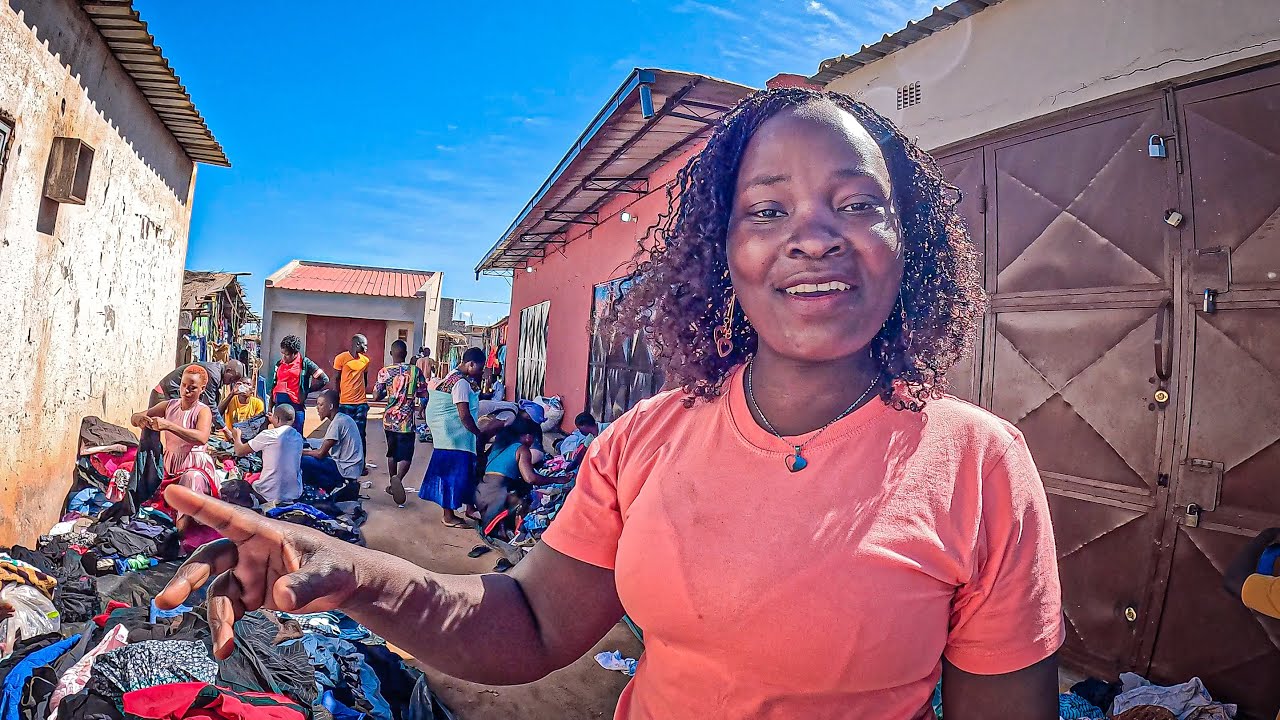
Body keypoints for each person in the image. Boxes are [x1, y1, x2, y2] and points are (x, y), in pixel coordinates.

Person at [155, 88, 1062, 719]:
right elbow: (534, 622)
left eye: (856, 203)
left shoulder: (980, 467)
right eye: (768, 210)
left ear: (909, 246)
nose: (813, 238)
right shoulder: (646, 439)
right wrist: (350, 570)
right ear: (723, 254)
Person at [131, 364, 219, 539]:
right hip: (170, 464)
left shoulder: (203, 411)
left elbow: (202, 437)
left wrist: (169, 426)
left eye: (192, 388)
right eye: (184, 385)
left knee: (190, 479)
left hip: (195, 466)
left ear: (202, 389)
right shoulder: (169, 405)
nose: (186, 391)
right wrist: (141, 420)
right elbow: (135, 418)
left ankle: (178, 537)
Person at [419, 347, 486, 527]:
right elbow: (464, 415)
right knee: (452, 478)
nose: (480, 372)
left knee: (457, 475)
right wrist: (478, 434)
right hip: (454, 438)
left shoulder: (452, 375)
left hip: (446, 436)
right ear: (470, 364)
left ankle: (466, 509)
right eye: (479, 368)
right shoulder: (461, 384)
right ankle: (448, 517)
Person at [375, 340, 420, 507]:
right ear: (406, 353)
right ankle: (398, 480)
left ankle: (392, 479)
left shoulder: (384, 372)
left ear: (391, 354)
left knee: (392, 453)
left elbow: (376, 396)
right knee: (407, 455)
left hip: (389, 421)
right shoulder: (415, 371)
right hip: (407, 422)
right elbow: (423, 392)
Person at [228, 404, 303, 506]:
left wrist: (237, 436)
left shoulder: (268, 435)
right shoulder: (298, 438)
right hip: (293, 494)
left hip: (268, 494)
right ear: (293, 420)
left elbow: (239, 451)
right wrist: (275, 419)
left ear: (276, 418)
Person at [300, 390, 363, 501]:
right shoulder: (341, 418)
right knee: (312, 455)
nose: (317, 408)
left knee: (303, 461)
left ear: (330, 406)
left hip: (345, 470)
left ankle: (335, 486)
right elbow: (324, 441)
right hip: (351, 468)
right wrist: (307, 441)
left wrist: (299, 451)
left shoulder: (337, 423)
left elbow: (320, 453)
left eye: (320, 404)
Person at [150, 360, 244, 431]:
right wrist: (224, 429)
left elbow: (210, 408)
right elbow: (210, 406)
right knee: (155, 437)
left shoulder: (216, 374)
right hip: (163, 396)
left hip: (168, 396)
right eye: (233, 379)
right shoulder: (214, 375)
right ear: (228, 370)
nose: (232, 383)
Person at [267, 335, 328, 435]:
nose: (283, 357)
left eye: (286, 354)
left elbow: (324, 379)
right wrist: (270, 407)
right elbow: (275, 385)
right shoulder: (279, 364)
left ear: (295, 353)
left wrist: (306, 390)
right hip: (279, 409)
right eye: (282, 354)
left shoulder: (305, 364)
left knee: (296, 437)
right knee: (279, 437)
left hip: (296, 408)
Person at [333, 334, 372, 465]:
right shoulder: (341, 358)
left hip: (361, 404)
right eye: (364, 345)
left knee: (361, 435)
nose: (366, 347)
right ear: (357, 344)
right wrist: (337, 397)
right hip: (345, 403)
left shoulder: (365, 361)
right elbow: (336, 379)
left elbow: (364, 380)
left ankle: (361, 464)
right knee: (344, 434)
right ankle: (344, 462)